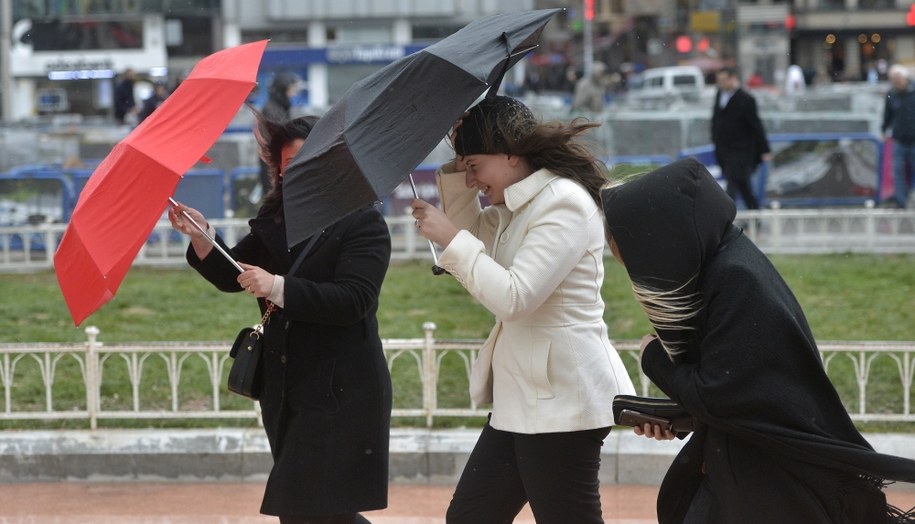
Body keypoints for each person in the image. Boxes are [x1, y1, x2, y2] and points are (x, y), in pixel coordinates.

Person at [600, 157, 915, 524]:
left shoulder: (736, 281)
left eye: (639, 261)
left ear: (665, 241)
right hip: (752, 472)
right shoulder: (724, 264)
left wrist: (652, 357)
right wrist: (679, 418)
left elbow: (720, 393)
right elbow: (744, 395)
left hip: (771, 485)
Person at [410, 95, 636, 524]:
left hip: (562, 398)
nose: (473, 180)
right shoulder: (518, 204)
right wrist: (459, 172)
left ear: (511, 154)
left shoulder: (562, 202)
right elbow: (474, 241)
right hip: (526, 398)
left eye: (475, 166)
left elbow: (514, 297)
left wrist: (452, 239)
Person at [168, 114, 393, 524]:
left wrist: (276, 286)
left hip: (342, 390)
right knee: (317, 512)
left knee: (305, 508)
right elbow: (234, 275)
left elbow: (354, 300)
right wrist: (203, 237)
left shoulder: (362, 221)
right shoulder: (277, 220)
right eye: (289, 164)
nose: (299, 172)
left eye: (311, 160)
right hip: (286, 388)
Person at [711, 66, 771, 210]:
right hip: (724, 149)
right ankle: (754, 215)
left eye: (724, 80)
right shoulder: (720, 95)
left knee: (732, 184)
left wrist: (765, 149)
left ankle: (725, 217)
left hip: (741, 151)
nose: (721, 83)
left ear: (733, 78)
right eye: (719, 80)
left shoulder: (746, 99)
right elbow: (717, 120)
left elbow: (756, 125)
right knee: (743, 186)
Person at [256, 73, 300, 198]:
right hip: (274, 164)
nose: (293, 92)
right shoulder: (273, 109)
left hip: (276, 162)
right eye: (291, 88)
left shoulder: (279, 106)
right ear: (283, 88)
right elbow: (278, 137)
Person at [881, 64, 915, 209]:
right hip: (899, 139)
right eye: (893, 80)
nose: (896, 83)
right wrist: (883, 130)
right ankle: (901, 202)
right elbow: (887, 115)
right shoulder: (892, 94)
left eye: (898, 80)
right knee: (898, 172)